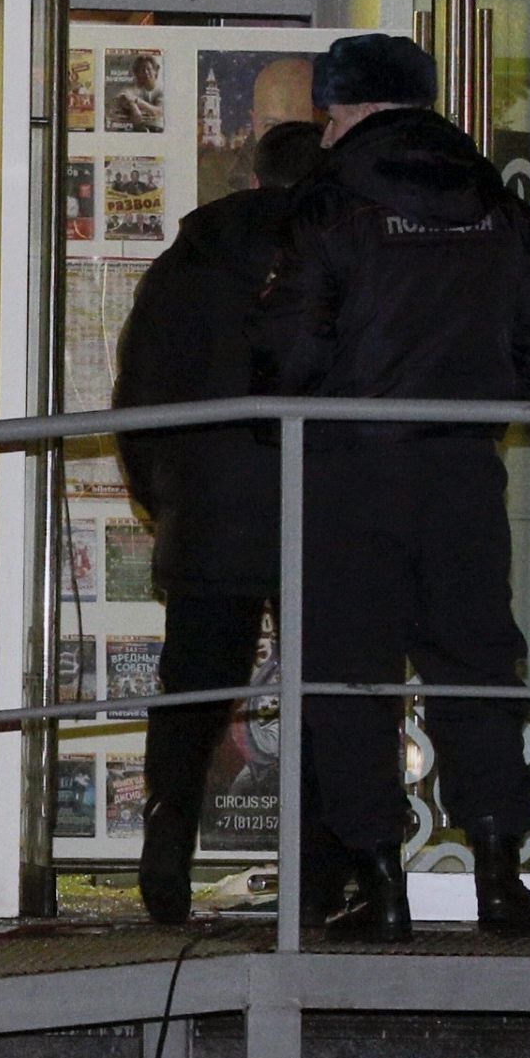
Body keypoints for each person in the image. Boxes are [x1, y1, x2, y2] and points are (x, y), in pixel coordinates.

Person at [253, 32, 530, 937]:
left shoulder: (325, 202)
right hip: (462, 474)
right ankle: (498, 873)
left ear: (343, 107)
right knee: (476, 667)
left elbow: (286, 349)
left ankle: (378, 883)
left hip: (347, 471)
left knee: (350, 679)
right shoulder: (495, 202)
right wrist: (476, 411)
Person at [114, 117, 327, 924]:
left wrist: (162, 493)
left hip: (205, 507)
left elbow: (137, 393)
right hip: (317, 508)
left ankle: (164, 861)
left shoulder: (185, 263)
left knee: (192, 693)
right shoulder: (337, 257)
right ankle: (318, 870)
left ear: (252, 176)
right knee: (325, 691)